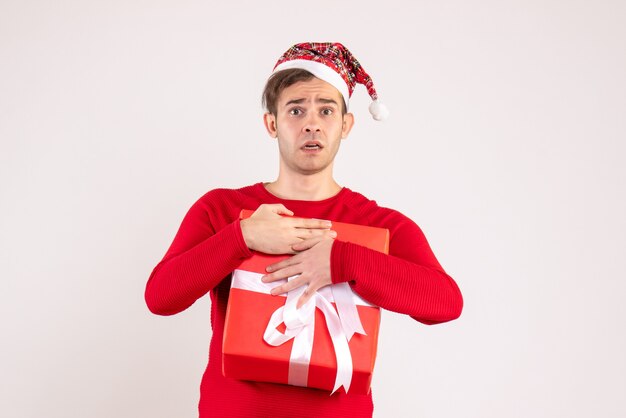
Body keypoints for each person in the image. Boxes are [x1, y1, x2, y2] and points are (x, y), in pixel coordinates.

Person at [145, 42, 463, 418]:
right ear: (272, 124)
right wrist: (242, 237)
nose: (311, 123)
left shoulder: (381, 225)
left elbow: (445, 303)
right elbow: (161, 298)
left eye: (326, 110)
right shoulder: (222, 209)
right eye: (296, 110)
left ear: (345, 125)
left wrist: (343, 260)